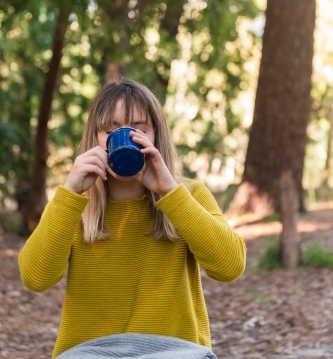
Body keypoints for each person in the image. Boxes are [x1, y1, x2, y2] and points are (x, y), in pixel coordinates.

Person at [18, 78, 246, 359]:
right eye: (110, 129)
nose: (125, 136)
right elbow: (35, 278)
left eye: (138, 128)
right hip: (90, 351)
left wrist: (169, 193)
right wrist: (71, 192)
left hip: (173, 350)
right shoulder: (74, 205)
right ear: (96, 138)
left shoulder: (189, 195)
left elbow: (230, 267)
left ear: (155, 137)